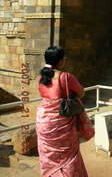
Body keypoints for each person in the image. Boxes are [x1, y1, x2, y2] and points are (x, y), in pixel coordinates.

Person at [36, 45, 88, 177]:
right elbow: (81, 93)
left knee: (49, 158)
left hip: (43, 122)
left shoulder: (41, 77)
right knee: (68, 158)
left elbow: (44, 95)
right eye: (63, 58)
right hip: (62, 123)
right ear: (60, 61)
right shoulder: (66, 77)